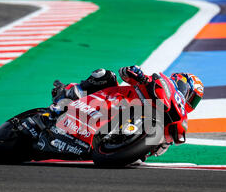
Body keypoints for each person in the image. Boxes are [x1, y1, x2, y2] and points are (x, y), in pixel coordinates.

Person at [51, 65, 204, 156]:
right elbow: (126, 73)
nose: (189, 102)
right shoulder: (156, 83)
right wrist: (136, 73)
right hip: (112, 100)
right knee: (104, 75)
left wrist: (160, 143)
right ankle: (68, 95)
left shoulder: (171, 120)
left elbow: (157, 152)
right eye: (190, 96)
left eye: (194, 101)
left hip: (115, 137)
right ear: (181, 83)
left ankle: (113, 138)